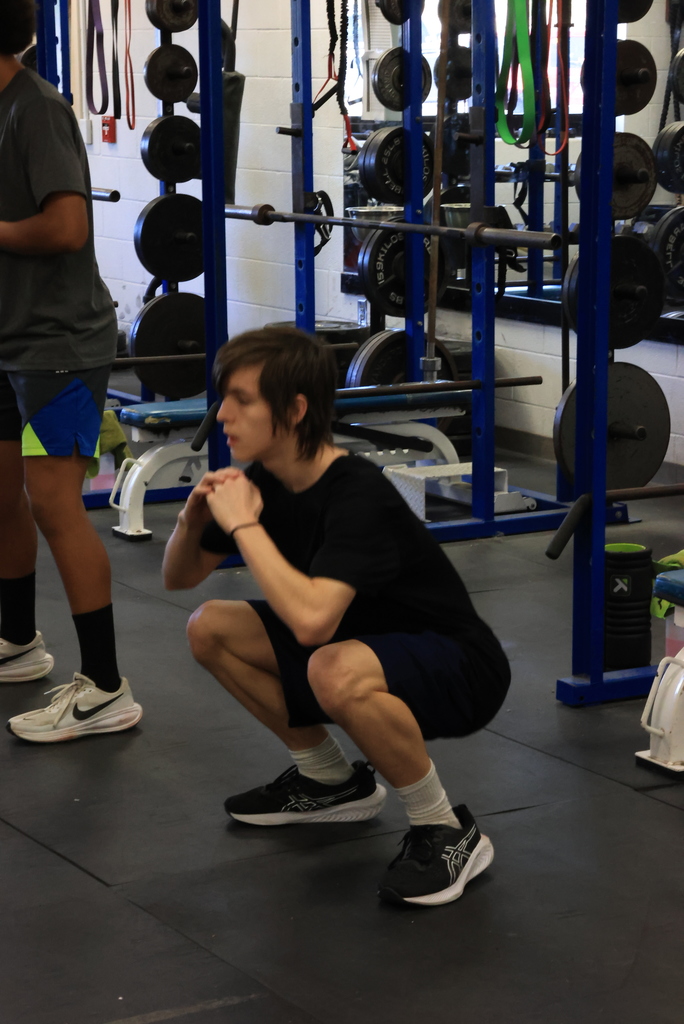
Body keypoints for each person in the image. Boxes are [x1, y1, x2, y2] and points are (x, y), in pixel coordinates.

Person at [163, 326, 510, 906]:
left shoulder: (357, 494)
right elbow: (180, 577)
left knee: (329, 666)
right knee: (209, 628)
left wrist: (245, 527)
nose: (221, 413)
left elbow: (312, 625)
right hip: (355, 645)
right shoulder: (267, 480)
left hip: (459, 665)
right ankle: (329, 780)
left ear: (295, 409)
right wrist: (191, 519)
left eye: (241, 400)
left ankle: (445, 828)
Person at [0, 0, 141, 741]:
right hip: (5, 340)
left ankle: (106, 686)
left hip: (57, 346)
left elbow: (66, 226)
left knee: (55, 502)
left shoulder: (36, 110)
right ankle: (19, 640)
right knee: (2, 496)